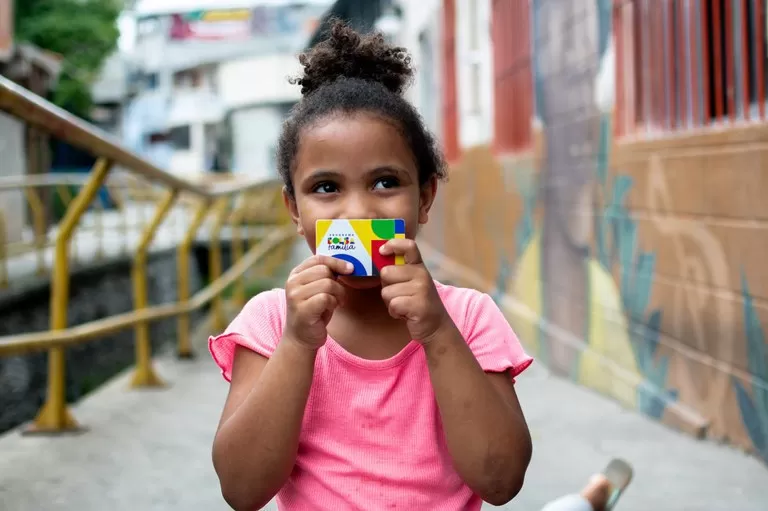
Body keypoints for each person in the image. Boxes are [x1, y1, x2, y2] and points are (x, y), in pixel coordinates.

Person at [208, 20, 533, 511]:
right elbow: (241, 489)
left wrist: (438, 332)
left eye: (385, 182)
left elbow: (501, 480)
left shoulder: (468, 318)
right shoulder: (270, 323)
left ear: (425, 198)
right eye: (326, 188)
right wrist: (297, 343)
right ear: (294, 210)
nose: (358, 213)